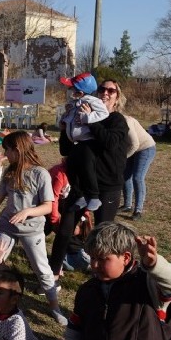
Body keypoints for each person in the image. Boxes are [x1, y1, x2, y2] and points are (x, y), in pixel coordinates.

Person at [0, 131, 66, 325]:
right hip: (7, 226)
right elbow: (0, 198)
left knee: (42, 269)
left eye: (7, 150)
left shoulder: (40, 174)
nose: (5, 154)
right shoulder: (10, 171)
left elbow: (47, 206)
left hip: (32, 230)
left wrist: (27, 211)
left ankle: (54, 306)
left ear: (17, 150)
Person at [49, 78, 129, 278]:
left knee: (102, 232)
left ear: (117, 97)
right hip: (81, 185)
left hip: (108, 184)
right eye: (102, 89)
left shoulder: (116, 120)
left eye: (112, 90)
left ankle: (102, 275)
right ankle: (53, 272)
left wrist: (90, 121)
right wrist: (64, 127)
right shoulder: (81, 112)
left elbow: (109, 143)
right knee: (65, 227)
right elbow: (66, 148)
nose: (106, 93)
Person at [59, 72, 110, 212]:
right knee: (71, 168)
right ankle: (80, 193)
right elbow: (68, 119)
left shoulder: (91, 101)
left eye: (71, 88)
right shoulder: (72, 103)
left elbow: (104, 113)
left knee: (87, 169)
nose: (69, 91)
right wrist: (63, 121)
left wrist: (87, 117)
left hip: (87, 141)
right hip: (75, 143)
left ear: (80, 91)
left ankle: (94, 196)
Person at [121, 104, 157, 221]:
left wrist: (123, 158)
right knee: (126, 176)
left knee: (137, 177)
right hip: (131, 148)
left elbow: (135, 144)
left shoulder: (126, 121)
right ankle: (127, 205)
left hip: (145, 147)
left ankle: (138, 210)